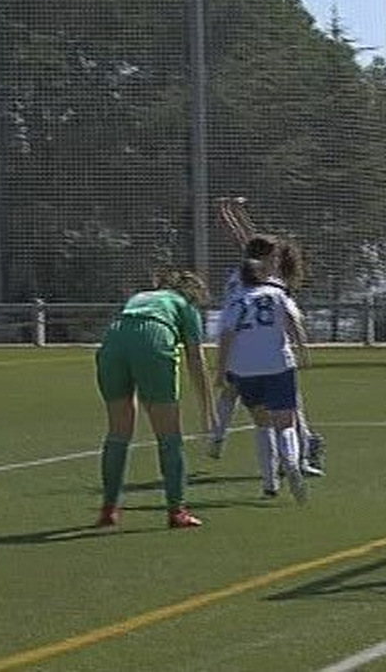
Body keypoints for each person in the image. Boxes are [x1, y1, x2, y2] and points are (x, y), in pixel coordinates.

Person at [208, 197, 325, 476]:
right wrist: (232, 213)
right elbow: (248, 239)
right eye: (274, 256)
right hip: (261, 347)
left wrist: (229, 212)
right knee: (288, 405)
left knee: (232, 391)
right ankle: (299, 456)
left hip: (237, 341)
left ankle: (217, 438)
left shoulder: (244, 276)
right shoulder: (268, 283)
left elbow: (246, 239)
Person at [93, 269, 214, 529]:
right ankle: (177, 510)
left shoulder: (142, 297)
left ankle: (109, 509)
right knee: (169, 434)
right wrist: (207, 409)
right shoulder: (185, 304)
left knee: (118, 431)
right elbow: (196, 358)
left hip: (113, 341)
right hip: (153, 338)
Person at [217, 257, 312, 503]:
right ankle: (291, 461)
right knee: (286, 422)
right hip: (278, 364)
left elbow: (226, 334)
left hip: (245, 368)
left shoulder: (236, 300)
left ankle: (270, 483)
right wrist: (302, 348)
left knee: (262, 423)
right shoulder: (277, 294)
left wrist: (221, 370)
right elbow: (292, 321)